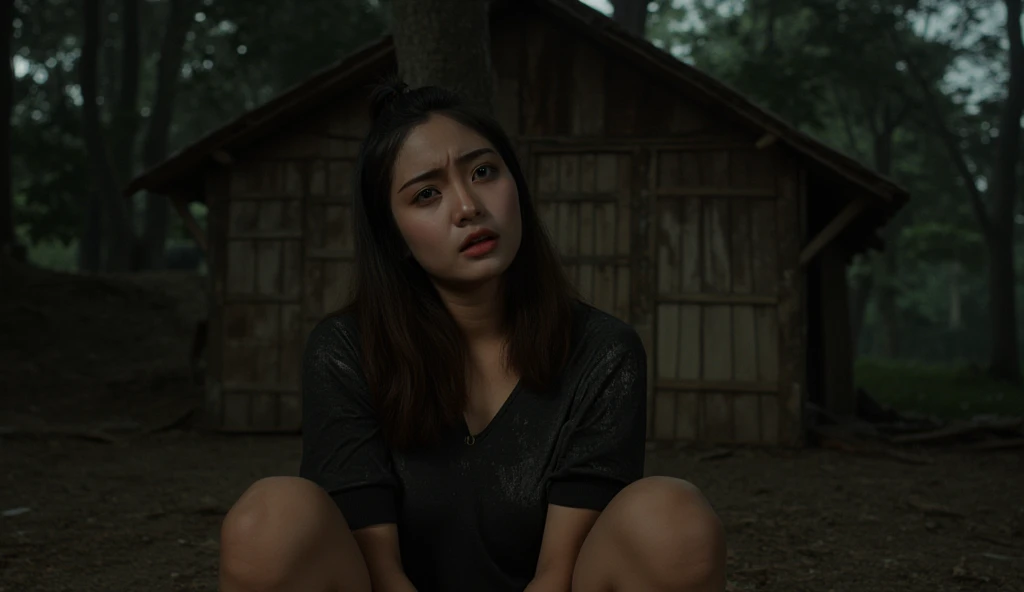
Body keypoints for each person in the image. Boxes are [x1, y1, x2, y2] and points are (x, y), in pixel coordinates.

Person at [218, 80, 726, 592]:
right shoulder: (347, 351)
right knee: (271, 516)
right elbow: (381, 574)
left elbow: (558, 575)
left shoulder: (604, 351)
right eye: (427, 194)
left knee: (672, 515)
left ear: (516, 186)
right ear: (394, 236)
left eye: (484, 172)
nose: (467, 206)